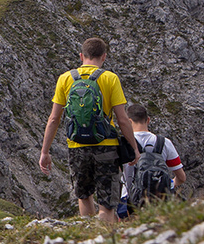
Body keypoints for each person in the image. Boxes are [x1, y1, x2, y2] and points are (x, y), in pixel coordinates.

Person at [38, 37, 138, 218]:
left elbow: (54, 119)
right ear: (104, 57)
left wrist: (45, 151)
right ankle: (105, 241)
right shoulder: (110, 78)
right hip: (107, 146)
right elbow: (123, 119)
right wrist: (134, 148)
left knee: (84, 196)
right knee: (107, 205)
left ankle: (88, 240)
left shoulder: (65, 79)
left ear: (81, 55)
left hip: (77, 146)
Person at [119, 102, 186, 208]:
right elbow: (181, 177)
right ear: (148, 120)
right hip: (159, 201)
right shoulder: (164, 142)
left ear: (129, 121)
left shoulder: (123, 143)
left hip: (129, 201)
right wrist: (168, 185)